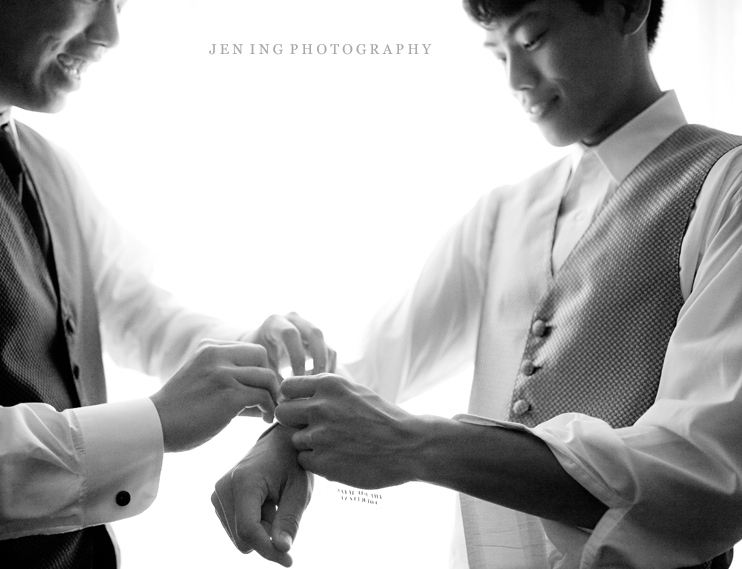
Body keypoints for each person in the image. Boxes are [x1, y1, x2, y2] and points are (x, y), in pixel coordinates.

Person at [212, 0, 742, 567]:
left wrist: (420, 446)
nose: (515, 78)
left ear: (627, 7)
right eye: (498, 52)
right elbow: (378, 364)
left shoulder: (726, 186)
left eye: (534, 39)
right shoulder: (500, 215)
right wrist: (279, 443)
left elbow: (709, 469)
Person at [0, 0, 336, 567]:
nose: (111, 33)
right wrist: (152, 424)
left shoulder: (47, 166)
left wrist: (252, 346)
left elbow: (134, 310)